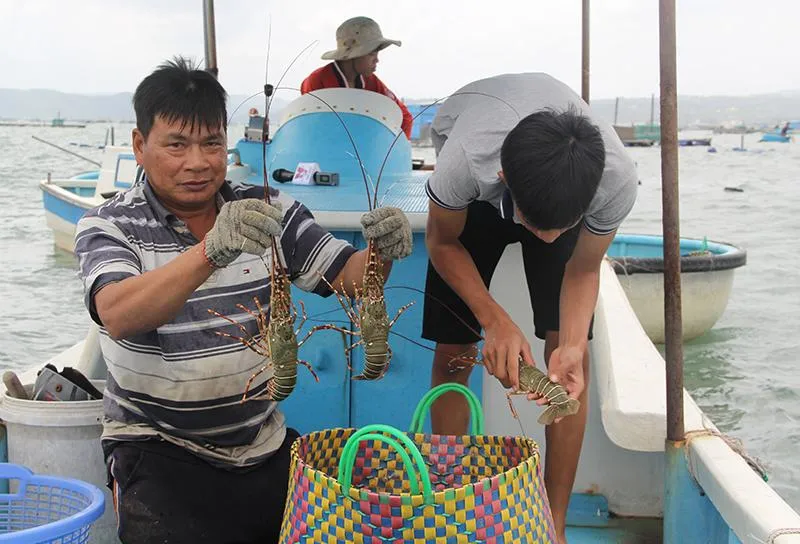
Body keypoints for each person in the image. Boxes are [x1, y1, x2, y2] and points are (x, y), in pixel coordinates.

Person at [74, 57, 412, 544]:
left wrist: (383, 249)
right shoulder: (109, 224)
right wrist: (211, 251)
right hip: (158, 446)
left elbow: (354, 281)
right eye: (176, 144)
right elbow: (118, 313)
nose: (197, 162)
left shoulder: (267, 208)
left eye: (211, 142)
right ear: (139, 146)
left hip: (260, 441)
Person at [421, 72, 638, 543]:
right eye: (536, 227)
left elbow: (583, 270)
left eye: (562, 228)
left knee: (568, 363)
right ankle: (450, 506)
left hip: (556, 189)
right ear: (504, 182)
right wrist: (494, 319)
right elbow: (441, 241)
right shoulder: (465, 163)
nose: (547, 240)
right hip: (477, 202)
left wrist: (574, 346)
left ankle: (552, 521)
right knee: (454, 348)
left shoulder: (614, 182)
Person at [300, 16, 413, 140]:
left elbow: (404, 117)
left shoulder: (371, 82)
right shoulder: (317, 80)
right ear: (354, 55)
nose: (377, 60)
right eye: (372, 53)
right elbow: (311, 124)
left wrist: (394, 150)